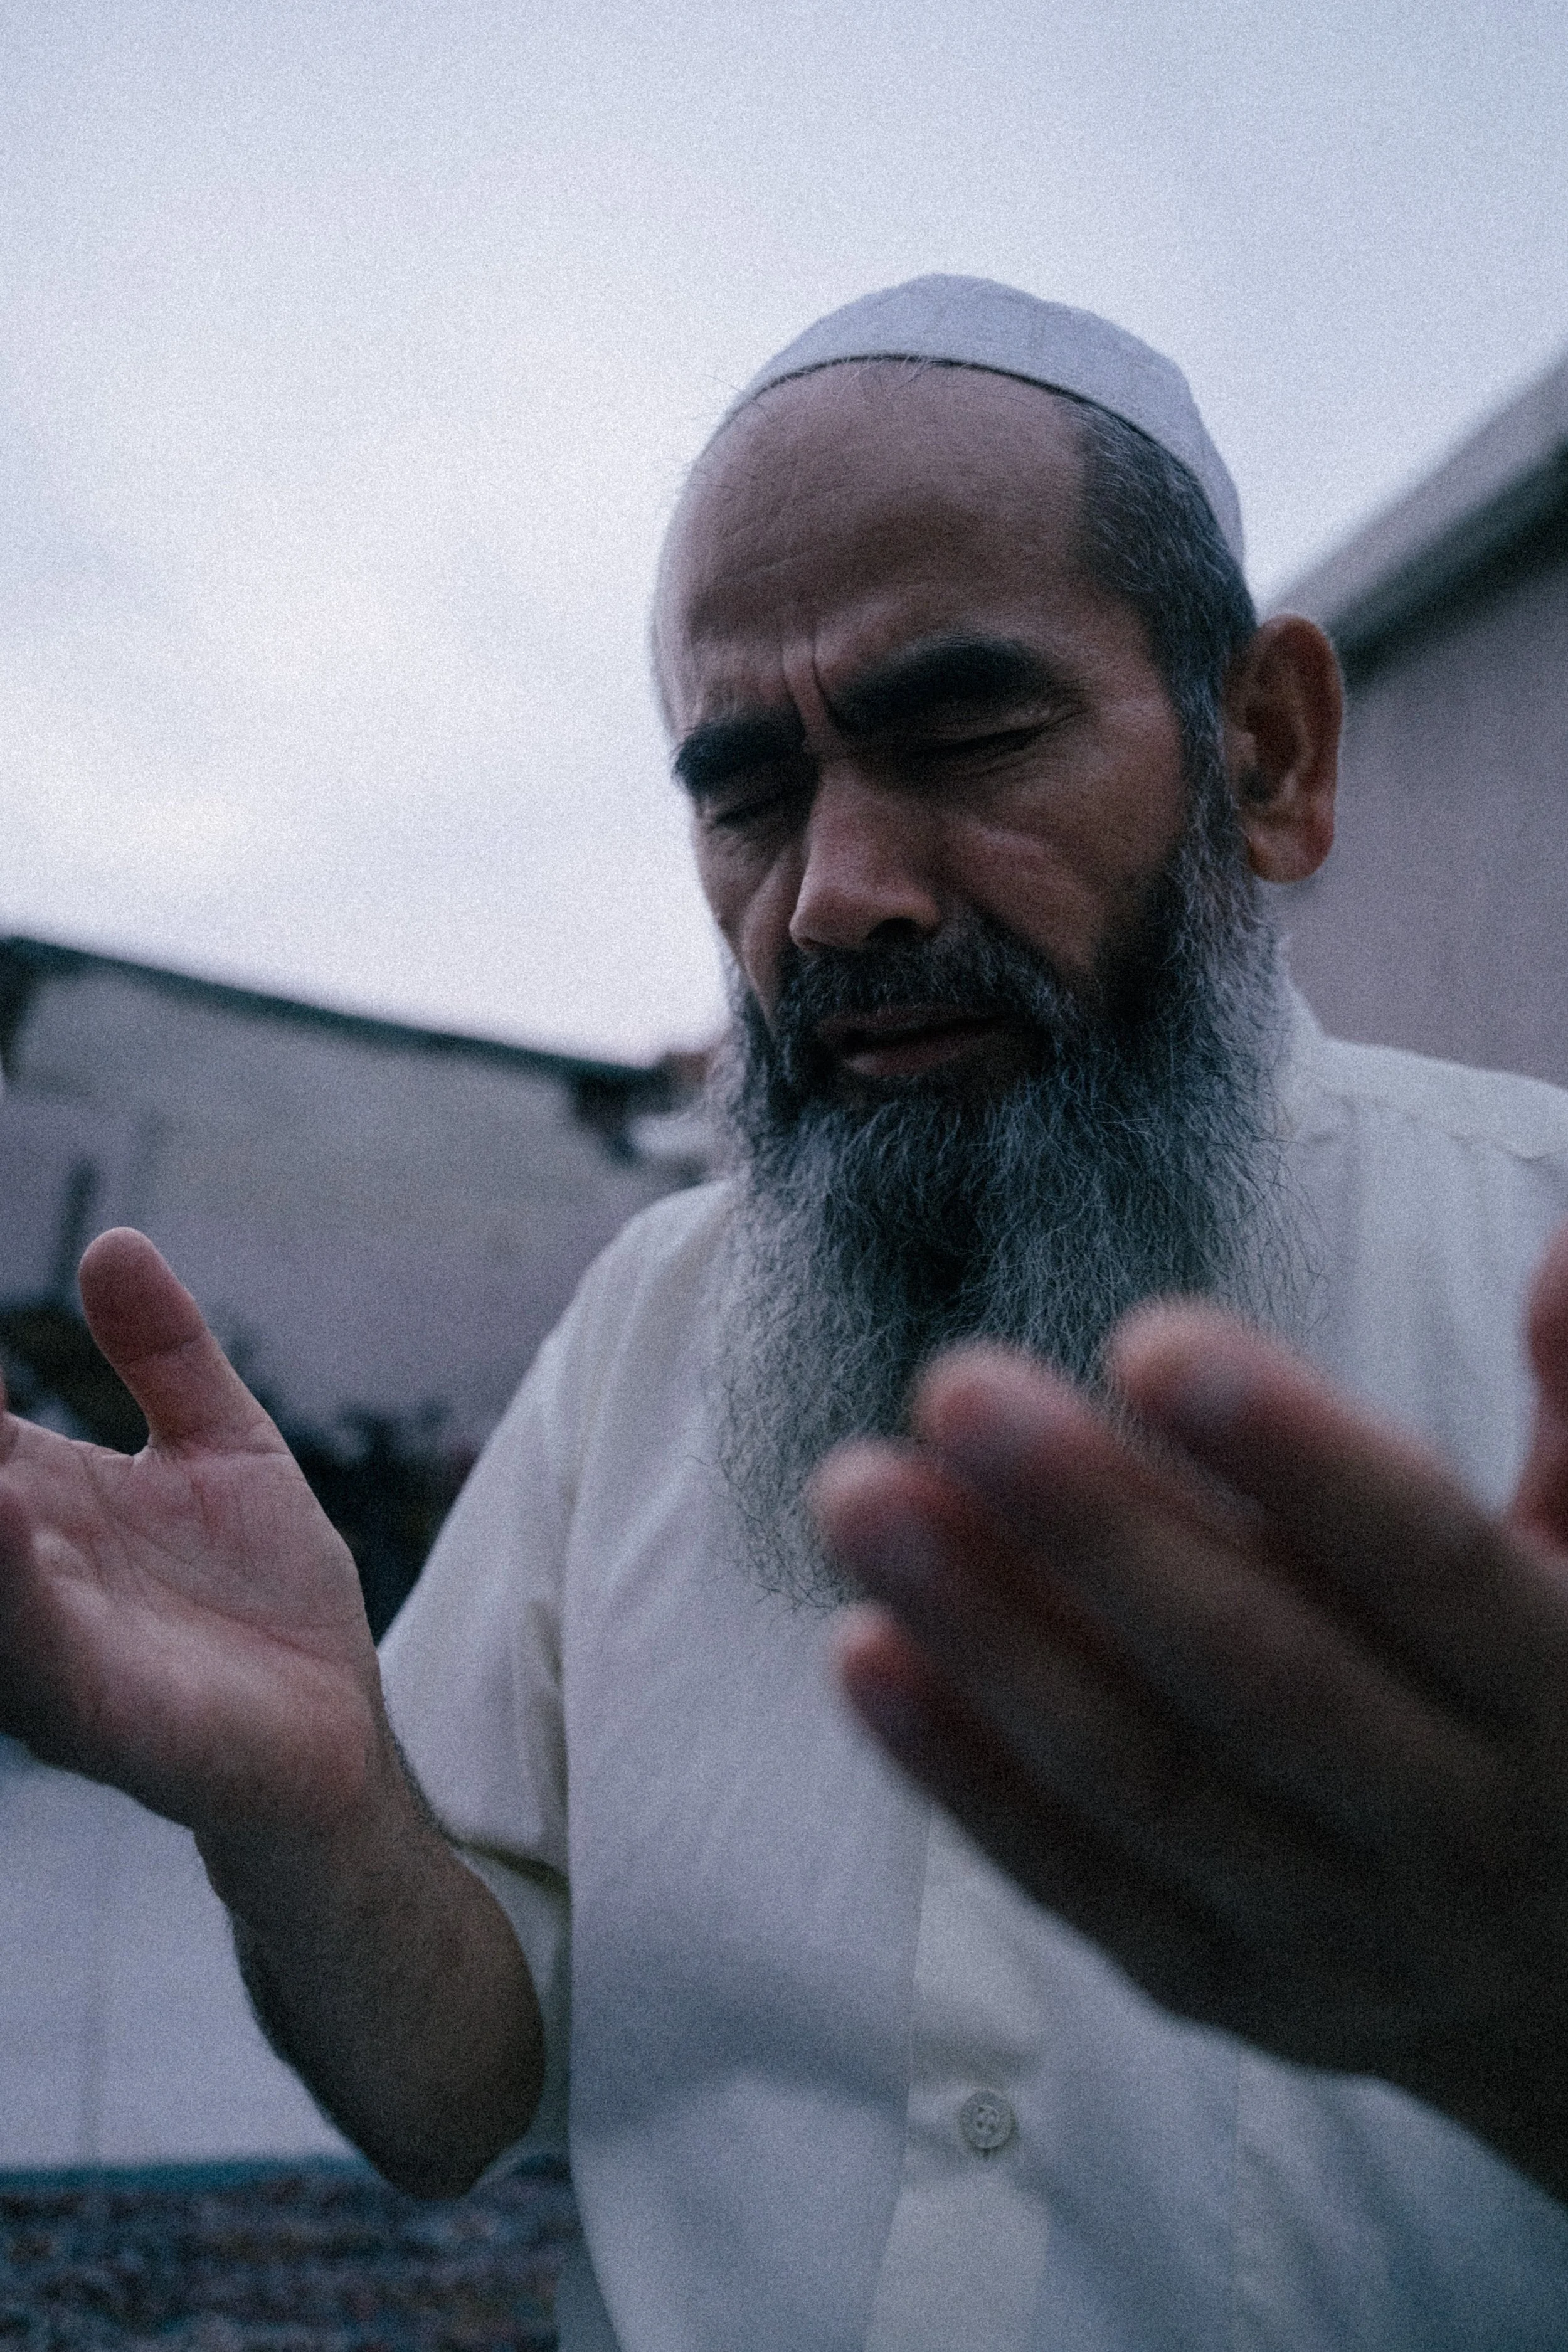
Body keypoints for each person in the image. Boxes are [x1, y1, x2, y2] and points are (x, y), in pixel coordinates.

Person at [3, 277, 1568, 2348]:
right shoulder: (645, 1327)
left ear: (1262, 750)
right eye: (746, 792)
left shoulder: (1533, 1264)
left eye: (966, 736)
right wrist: (304, 1811)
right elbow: (451, 2099)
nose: (831, 895)